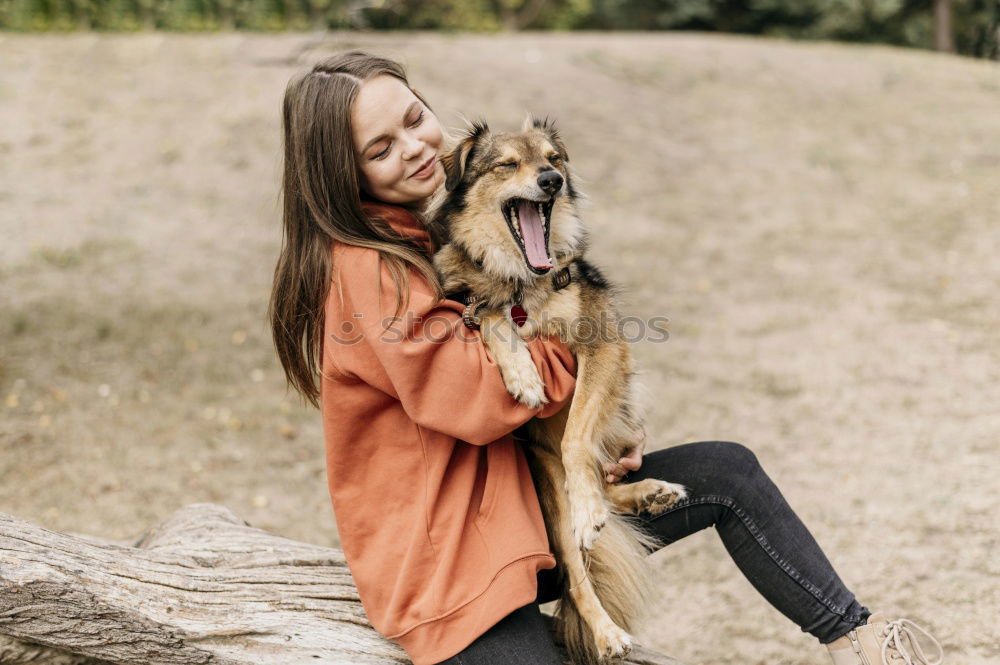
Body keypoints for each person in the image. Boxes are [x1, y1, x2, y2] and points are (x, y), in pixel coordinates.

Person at [268, 50, 944, 665]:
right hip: (456, 569)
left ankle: (863, 641)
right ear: (342, 174)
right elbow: (482, 400)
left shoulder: (434, 229)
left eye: (416, 118)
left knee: (727, 471)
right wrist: (588, 360)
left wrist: (599, 424)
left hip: (522, 513)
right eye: (381, 148)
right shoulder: (366, 268)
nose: (416, 146)